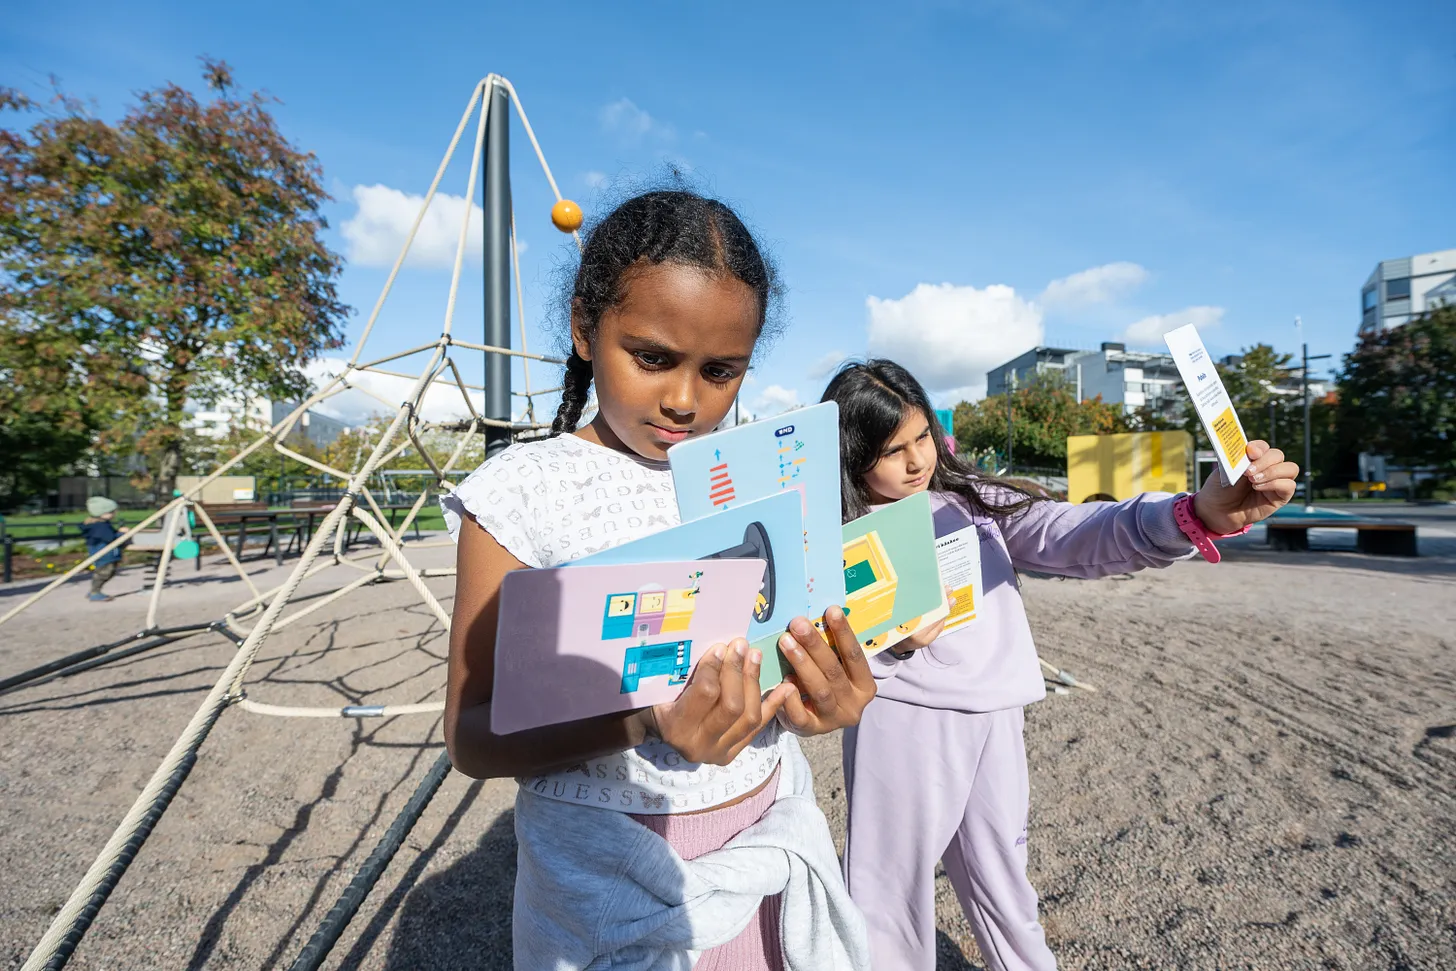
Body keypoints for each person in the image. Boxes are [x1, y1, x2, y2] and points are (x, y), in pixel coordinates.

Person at [441, 190, 876, 970]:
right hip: (600, 888)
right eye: (651, 357)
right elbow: (473, 734)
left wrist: (819, 700)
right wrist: (644, 721)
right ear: (584, 328)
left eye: (719, 371)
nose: (683, 398)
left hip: (770, 854)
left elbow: (779, 654)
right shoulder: (522, 491)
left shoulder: (760, 480)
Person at [821, 359, 1299, 971]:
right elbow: (819, 647)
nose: (917, 461)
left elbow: (1073, 531)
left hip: (997, 713)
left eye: (922, 438)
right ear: (850, 455)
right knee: (887, 890)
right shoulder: (838, 535)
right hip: (902, 721)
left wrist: (1192, 515)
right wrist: (896, 642)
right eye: (893, 450)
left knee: (1006, 881)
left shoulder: (973, 500)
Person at [79, 496, 127, 602]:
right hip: (105, 554)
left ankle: (94, 590)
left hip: (104, 553)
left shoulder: (99, 525)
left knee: (108, 572)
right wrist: (121, 533)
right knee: (104, 573)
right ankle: (95, 592)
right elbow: (111, 539)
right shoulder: (100, 526)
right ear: (104, 513)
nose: (114, 514)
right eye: (112, 512)